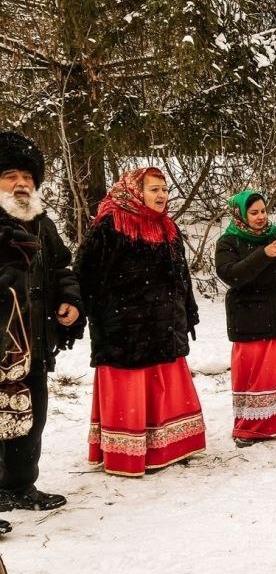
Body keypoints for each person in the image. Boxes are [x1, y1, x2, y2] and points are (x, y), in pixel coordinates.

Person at [76, 167, 206, 476]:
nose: (161, 195)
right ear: (135, 191)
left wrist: (188, 312)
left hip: (164, 325)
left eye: (164, 189)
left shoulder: (168, 227)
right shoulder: (110, 224)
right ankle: (129, 454)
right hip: (124, 332)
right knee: (132, 391)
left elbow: (181, 277)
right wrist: (102, 318)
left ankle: (168, 448)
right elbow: (85, 276)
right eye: (154, 189)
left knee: (163, 385)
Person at [0, 133, 83, 532]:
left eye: (27, 176)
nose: (21, 183)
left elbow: (63, 269)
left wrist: (69, 301)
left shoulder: (43, 223)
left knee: (31, 417)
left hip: (34, 341)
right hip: (2, 344)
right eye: (10, 175)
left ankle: (19, 487)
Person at [215, 191, 276, 446]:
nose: (260, 217)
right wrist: (264, 254)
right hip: (250, 320)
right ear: (240, 214)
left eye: (263, 211)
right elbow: (231, 275)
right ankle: (251, 428)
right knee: (256, 376)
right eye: (254, 212)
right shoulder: (229, 242)